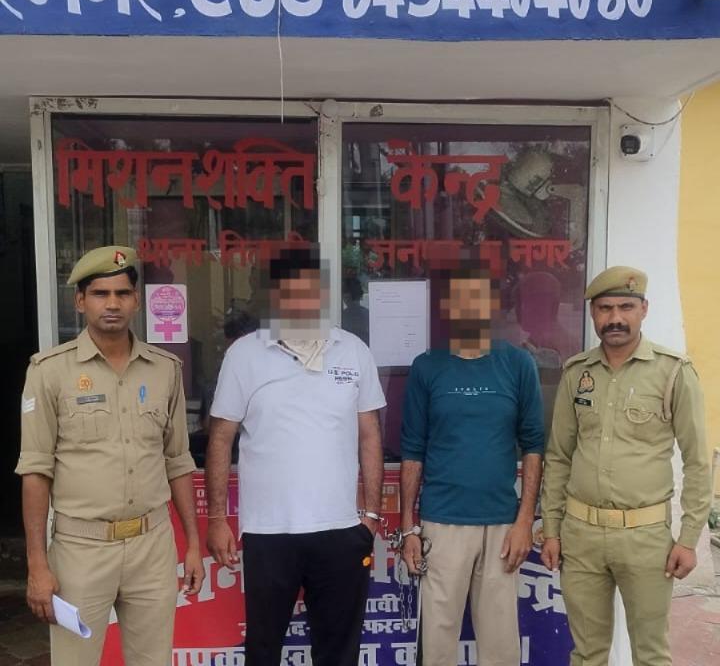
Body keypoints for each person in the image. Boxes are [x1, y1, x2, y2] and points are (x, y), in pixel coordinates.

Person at [16, 245, 204, 666]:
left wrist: (192, 544)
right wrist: (37, 564)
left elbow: (177, 461)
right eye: (101, 294)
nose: (113, 304)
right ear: (80, 301)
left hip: (152, 546)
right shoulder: (50, 371)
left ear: (136, 300)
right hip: (80, 550)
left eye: (122, 293)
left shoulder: (164, 369)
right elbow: (35, 471)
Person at [205, 247, 386, 666]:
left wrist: (372, 515)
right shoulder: (244, 354)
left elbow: (370, 435)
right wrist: (217, 518)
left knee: (339, 653)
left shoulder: (353, 350)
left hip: (341, 530)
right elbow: (220, 438)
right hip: (269, 532)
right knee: (264, 650)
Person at [541, 266, 712, 666]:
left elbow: (698, 462)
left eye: (625, 307)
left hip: (645, 538)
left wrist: (688, 539)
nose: (615, 317)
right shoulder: (577, 373)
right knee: (587, 653)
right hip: (581, 536)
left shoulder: (673, 372)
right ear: (593, 313)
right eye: (605, 308)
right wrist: (551, 529)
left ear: (643, 309)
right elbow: (559, 456)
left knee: (650, 654)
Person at [400, 265, 544, 666]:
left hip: (502, 525)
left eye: (478, 297)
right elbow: (412, 450)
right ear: (447, 306)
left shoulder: (518, 364)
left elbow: (534, 446)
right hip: (442, 522)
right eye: (460, 297)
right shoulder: (427, 366)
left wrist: (525, 520)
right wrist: (408, 527)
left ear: (493, 304)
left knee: (500, 647)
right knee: (437, 643)